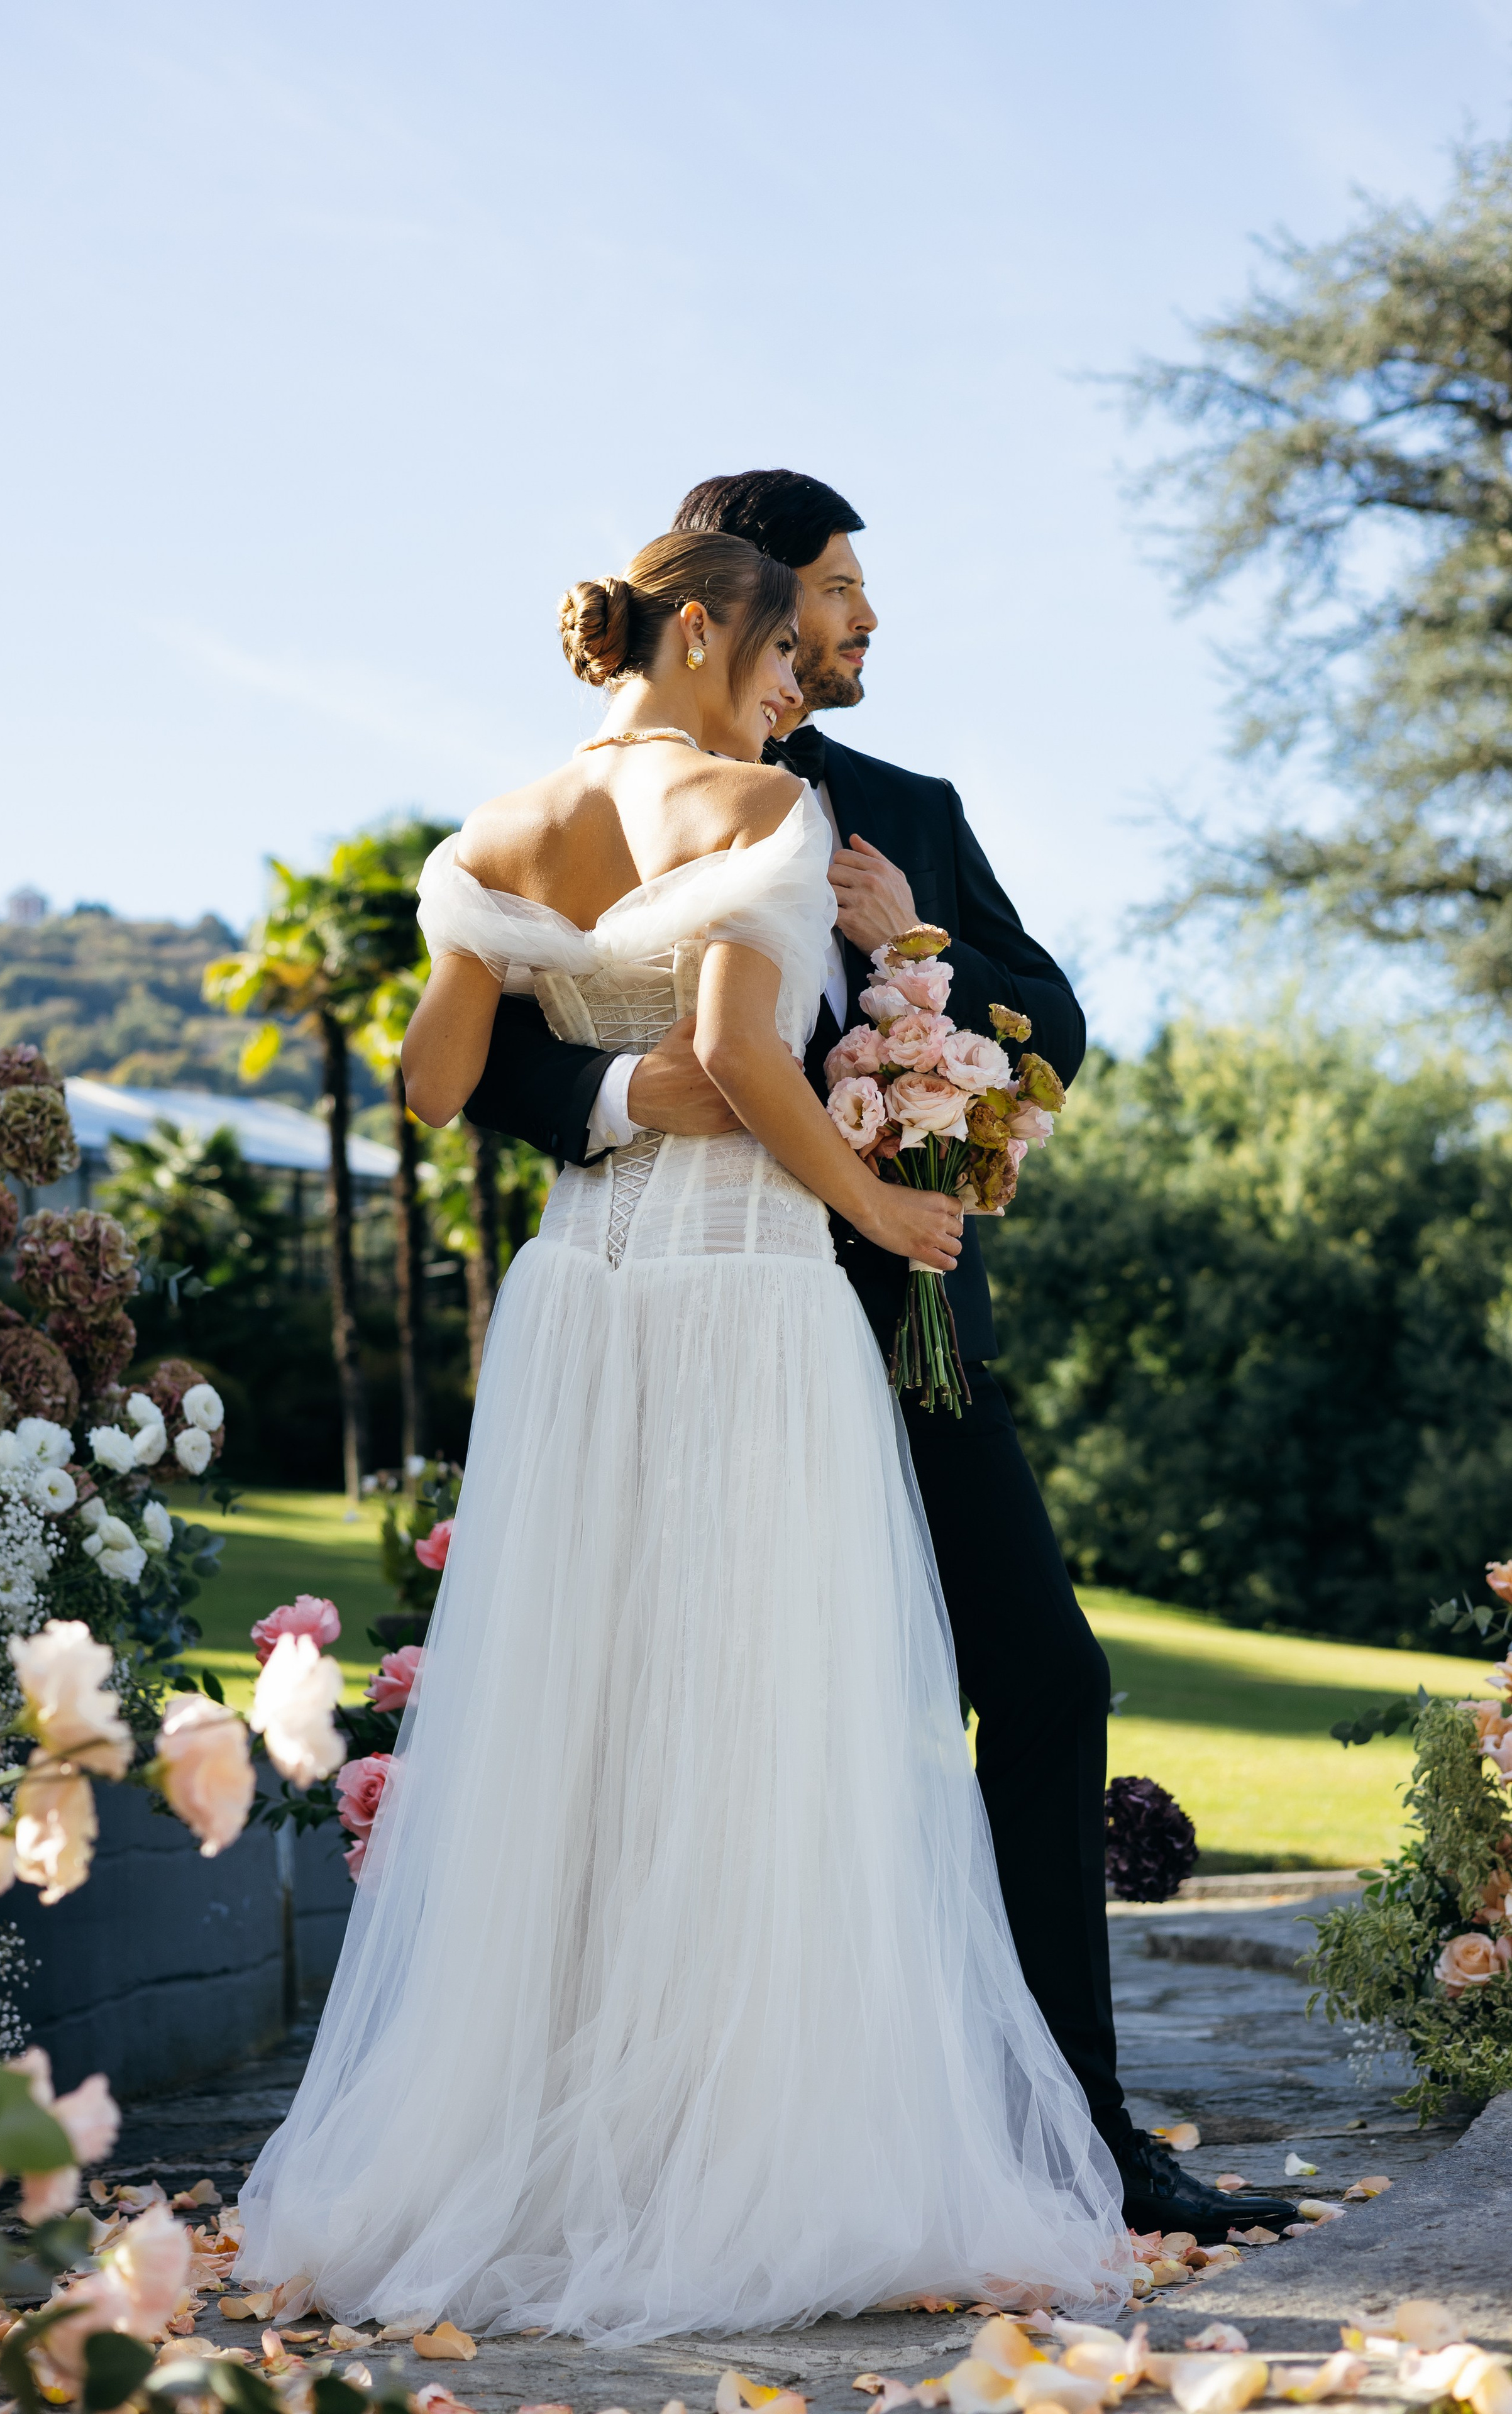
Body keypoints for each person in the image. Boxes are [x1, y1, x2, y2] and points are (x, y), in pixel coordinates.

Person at [237, 530, 1131, 2337]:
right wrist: (880, 1209)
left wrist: (590, 1060)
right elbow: (737, 1054)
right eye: (783, 656)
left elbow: (434, 1081)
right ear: (712, 630)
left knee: (587, 1700)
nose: (794, 692)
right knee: (761, 1702)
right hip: (742, 1290)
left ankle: (553, 2152)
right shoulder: (758, 808)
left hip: (576, 1301)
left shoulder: (498, 831)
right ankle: (741, 2156)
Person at [466, 470, 1298, 2247]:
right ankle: (654, 2140)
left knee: (1046, 1679)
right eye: (837, 593)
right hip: (690, 1329)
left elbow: (1053, 1021)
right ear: (751, 601)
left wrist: (910, 934)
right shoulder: (599, 803)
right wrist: (623, 1095)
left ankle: (1079, 2139)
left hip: (910, 1332)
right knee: (679, 1719)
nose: (857, 626)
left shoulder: (904, 808)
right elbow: (501, 1058)